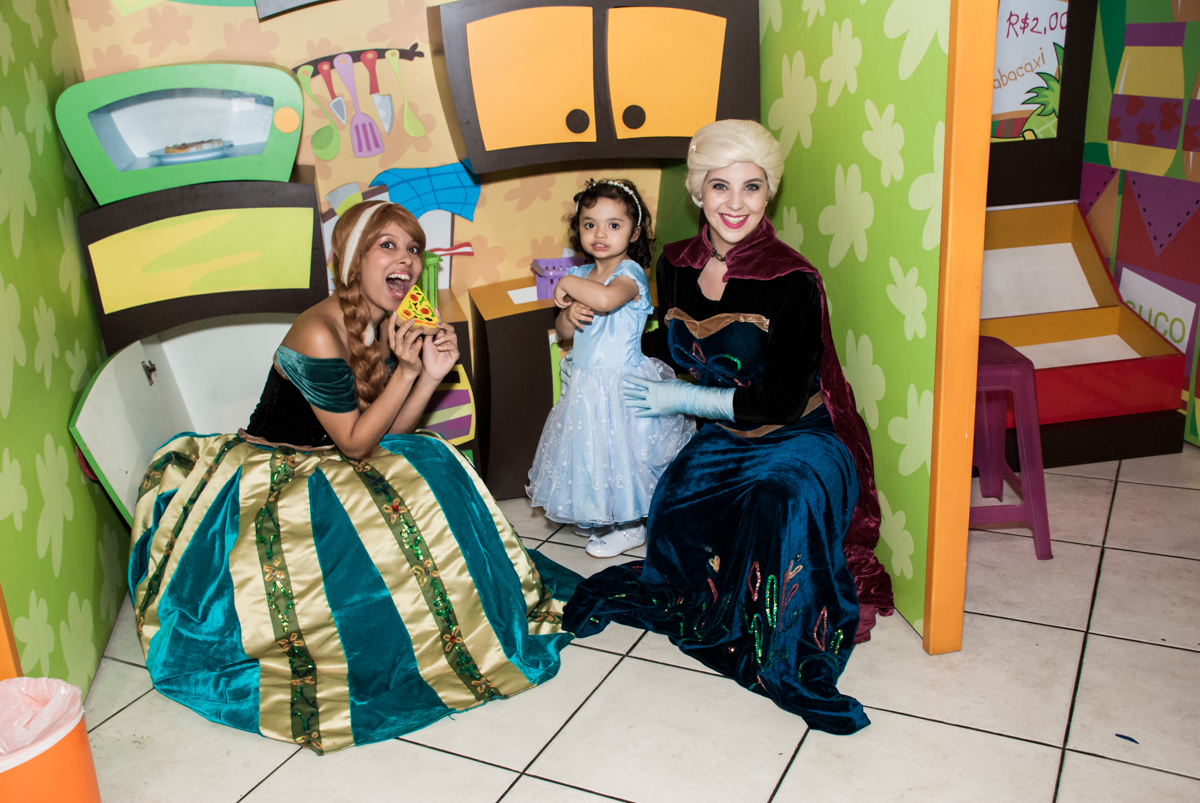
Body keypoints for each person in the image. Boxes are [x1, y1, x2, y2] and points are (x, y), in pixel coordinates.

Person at [129, 201, 578, 754]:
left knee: (433, 458)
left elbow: (391, 432)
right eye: (388, 245)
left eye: (414, 249)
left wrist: (427, 375)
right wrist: (410, 370)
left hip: (331, 460)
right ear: (349, 258)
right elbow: (358, 442)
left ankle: (465, 615)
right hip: (273, 474)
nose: (407, 261)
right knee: (381, 521)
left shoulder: (383, 321)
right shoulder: (318, 330)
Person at [562, 121, 894, 735]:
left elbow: (781, 399)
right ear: (697, 192)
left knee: (780, 503)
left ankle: (784, 643)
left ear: (770, 194)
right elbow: (664, 334)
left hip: (800, 440)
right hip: (727, 439)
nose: (735, 203)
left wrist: (681, 397)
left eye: (752, 186)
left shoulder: (793, 280)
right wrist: (584, 314)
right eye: (721, 186)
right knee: (674, 504)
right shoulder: (676, 264)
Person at [526, 180, 694, 558]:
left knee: (626, 456)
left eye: (613, 225)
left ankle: (632, 526)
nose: (600, 233)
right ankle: (614, 516)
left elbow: (604, 301)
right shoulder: (585, 275)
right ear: (579, 230)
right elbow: (565, 333)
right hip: (588, 385)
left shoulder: (629, 275)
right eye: (590, 224)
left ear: (634, 232)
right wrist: (568, 312)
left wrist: (564, 282)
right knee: (595, 456)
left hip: (622, 383)